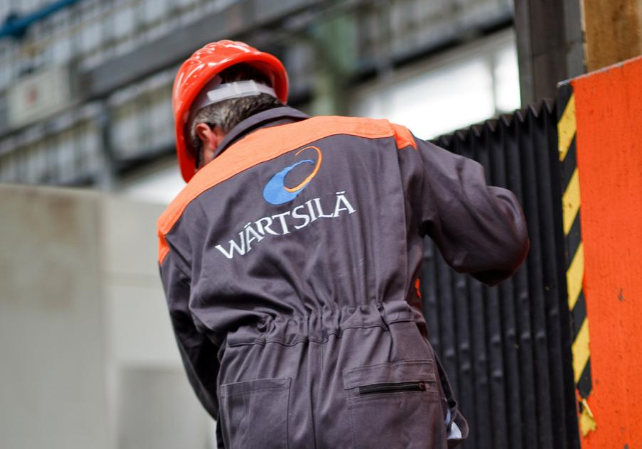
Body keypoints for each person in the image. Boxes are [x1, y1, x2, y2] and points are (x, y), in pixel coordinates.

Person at [157, 40, 529, 449]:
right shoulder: (379, 141)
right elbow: (498, 240)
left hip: (262, 410)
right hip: (383, 390)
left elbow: (205, 366)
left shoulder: (180, 219)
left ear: (206, 134)